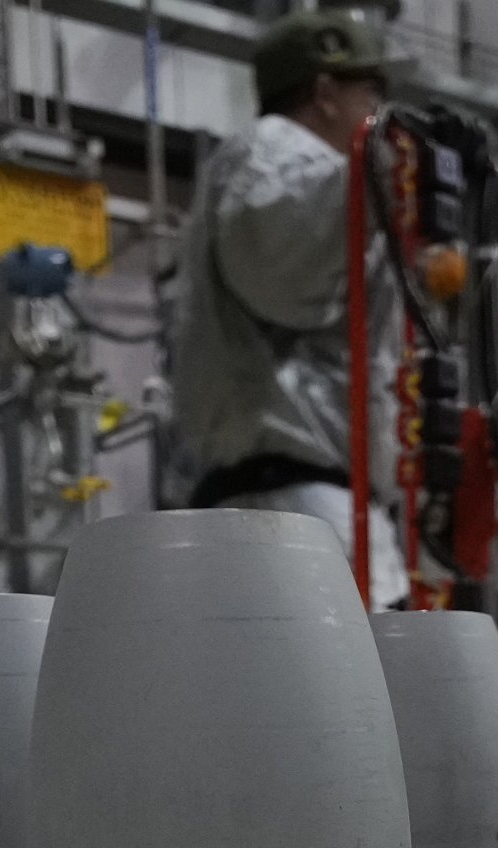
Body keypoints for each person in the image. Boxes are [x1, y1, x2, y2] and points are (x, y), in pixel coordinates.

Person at [171, 7, 401, 599]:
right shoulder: (279, 154)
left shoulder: (289, 169)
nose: (380, 112)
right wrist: (382, 173)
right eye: (371, 91)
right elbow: (280, 269)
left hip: (294, 512)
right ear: (325, 92)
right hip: (294, 518)